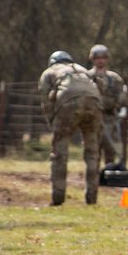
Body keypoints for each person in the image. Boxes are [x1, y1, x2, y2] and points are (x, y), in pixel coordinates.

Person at [37, 51, 103, 206]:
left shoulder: (50, 71)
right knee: (93, 153)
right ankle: (91, 199)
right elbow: (100, 85)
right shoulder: (81, 69)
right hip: (94, 103)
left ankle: (58, 198)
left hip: (68, 102)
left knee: (59, 152)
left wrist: (52, 122)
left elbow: (45, 100)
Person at [87, 45, 128, 165]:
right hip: (91, 120)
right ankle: (93, 179)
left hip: (110, 120)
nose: (100, 60)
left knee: (110, 152)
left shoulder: (114, 78)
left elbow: (122, 96)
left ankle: (108, 177)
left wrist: (112, 105)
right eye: (97, 58)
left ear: (107, 59)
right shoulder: (87, 77)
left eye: (103, 57)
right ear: (92, 59)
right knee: (92, 153)